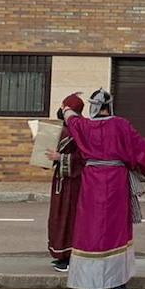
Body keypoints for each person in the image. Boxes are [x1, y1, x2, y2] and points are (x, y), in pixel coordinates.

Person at [61, 89, 145, 289]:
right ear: (109, 106)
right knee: (116, 231)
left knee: (92, 231)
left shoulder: (83, 126)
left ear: (92, 105)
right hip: (117, 182)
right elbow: (142, 146)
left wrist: (68, 104)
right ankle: (118, 285)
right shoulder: (121, 125)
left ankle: (95, 286)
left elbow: (69, 115)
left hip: (92, 183)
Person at [46, 93, 87, 272]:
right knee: (58, 216)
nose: (62, 110)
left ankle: (70, 256)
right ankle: (61, 254)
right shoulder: (64, 129)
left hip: (74, 184)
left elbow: (83, 157)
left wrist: (60, 157)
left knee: (69, 218)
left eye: (65, 107)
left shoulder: (81, 131)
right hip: (61, 182)